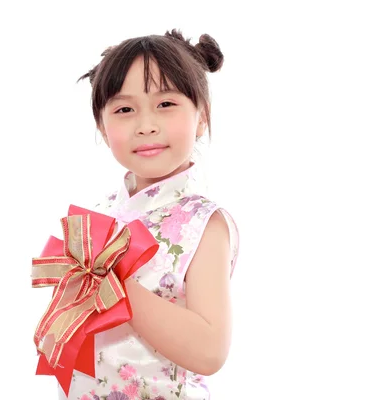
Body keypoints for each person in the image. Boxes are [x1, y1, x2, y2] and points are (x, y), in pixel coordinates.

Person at [60, 28, 240, 400]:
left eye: (166, 104)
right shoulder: (100, 215)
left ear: (201, 117)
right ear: (102, 128)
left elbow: (209, 350)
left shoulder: (204, 224)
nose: (146, 125)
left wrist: (114, 287)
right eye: (124, 110)